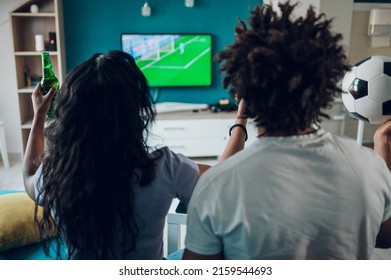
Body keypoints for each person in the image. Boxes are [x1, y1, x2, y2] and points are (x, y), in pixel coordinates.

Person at [182, 1, 391, 260]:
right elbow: (385, 236)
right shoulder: (371, 165)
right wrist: (383, 148)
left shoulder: (218, 184)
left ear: (243, 94)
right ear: (322, 89)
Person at [22, 50, 243, 260]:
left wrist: (39, 114)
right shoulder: (164, 167)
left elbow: (30, 176)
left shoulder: (56, 171)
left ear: (72, 113)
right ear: (134, 112)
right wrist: (241, 117)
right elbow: (220, 179)